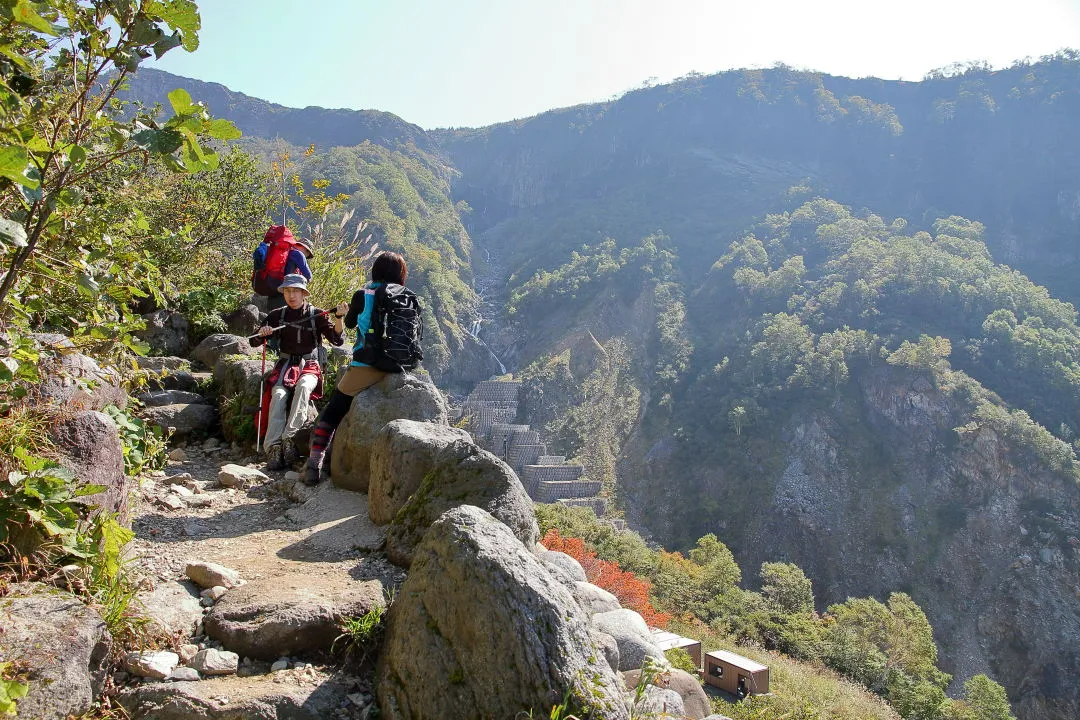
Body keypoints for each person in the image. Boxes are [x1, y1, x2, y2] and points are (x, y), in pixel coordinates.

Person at [304, 251, 409, 485]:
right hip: (397, 366)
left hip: (366, 365)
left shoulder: (363, 293)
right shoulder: (405, 296)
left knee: (333, 411)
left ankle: (314, 463)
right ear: (400, 275)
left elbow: (350, 324)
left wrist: (342, 312)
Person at [249, 273, 347, 470]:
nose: (291, 295)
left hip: (309, 365)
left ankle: (289, 438)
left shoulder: (317, 314)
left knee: (303, 387)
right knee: (277, 394)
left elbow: (337, 339)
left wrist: (339, 318)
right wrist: (264, 333)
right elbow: (254, 341)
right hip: (285, 365)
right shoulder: (277, 315)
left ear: (304, 294)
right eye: (287, 291)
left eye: (295, 291)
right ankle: (273, 447)